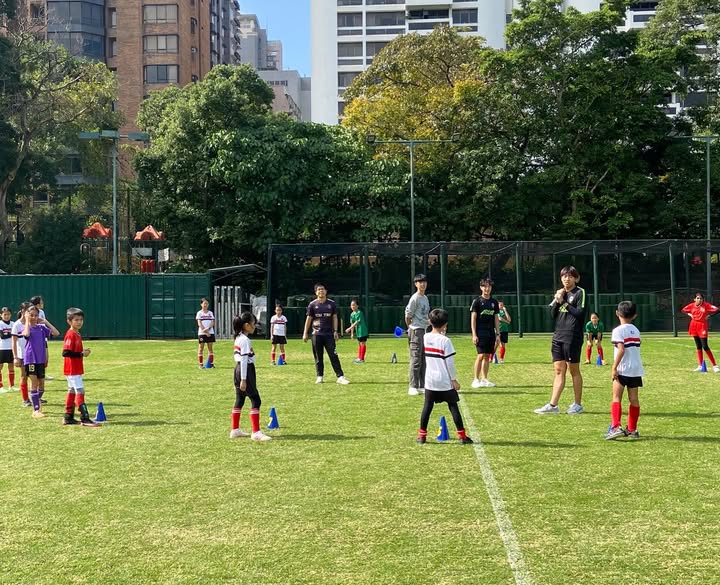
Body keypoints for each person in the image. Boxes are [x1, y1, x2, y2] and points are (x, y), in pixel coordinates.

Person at [416, 309, 473, 445]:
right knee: (453, 406)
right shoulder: (446, 341)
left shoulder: (426, 337)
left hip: (430, 380)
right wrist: (454, 380)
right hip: (444, 381)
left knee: (427, 407)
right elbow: (450, 364)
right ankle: (462, 436)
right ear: (445, 324)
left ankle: (422, 436)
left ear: (430, 322)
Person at [535, 266, 586, 415]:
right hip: (558, 336)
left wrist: (563, 302)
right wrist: (558, 300)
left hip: (572, 337)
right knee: (558, 370)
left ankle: (577, 404)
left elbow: (579, 313)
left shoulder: (579, 292)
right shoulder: (561, 293)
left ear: (576, 278)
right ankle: (553, 405)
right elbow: (553, 314)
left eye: (570, 276)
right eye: (564, 276)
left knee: (573, 370)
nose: (566, 279)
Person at [606, 301, 645, 440]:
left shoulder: (618, 330)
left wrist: (614, 367)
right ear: (634, 315)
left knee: (616, 397)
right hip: (635, 369)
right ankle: (632, 429)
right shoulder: (636, 330)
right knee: (634, 399)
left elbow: (621, 349)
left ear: (617, 313)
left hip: (623, 369)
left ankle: (616, 427)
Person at [230, 311, 272, 441]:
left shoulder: (239, 337)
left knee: (240, 399)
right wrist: (244, 379)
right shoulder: (245, 340)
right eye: (253, 323)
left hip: (238, 370)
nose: (255, 326)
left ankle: (235, 429)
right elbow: (244, 360)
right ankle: (256, 432)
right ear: (247, 325)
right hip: (245, 370)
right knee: (256, 400)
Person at [303, 284, 350, 385]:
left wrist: (335, 331)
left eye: (323, 289)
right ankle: (319, 376)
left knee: (333, 355)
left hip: (329, 334)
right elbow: (309, 319)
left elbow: (334, 317)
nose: (321, 291)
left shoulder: (331, 304)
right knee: (318, 357)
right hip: (316, 334)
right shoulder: (312, 304)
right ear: (316, 292)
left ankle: (340, 377)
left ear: (326, 291)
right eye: (319, 289)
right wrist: (305, 333)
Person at [61, 308, 99, 426]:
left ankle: (68, 417)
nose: (79, 322)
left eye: (81, 320)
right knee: (80, 391)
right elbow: (65, 353)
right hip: (72, 369)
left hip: (75, 368)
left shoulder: (77, 333)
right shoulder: (70, 334)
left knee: (72, 390)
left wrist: (82, 352)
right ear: (69, 321)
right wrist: (81, 354)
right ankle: (85, 418)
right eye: (76, 320)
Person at [22, 304, 59, 418]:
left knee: (41, 384)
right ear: (27, 315)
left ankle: (36, 402)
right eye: (31, 315)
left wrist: (46, 322)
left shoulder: (41, 328)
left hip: (40, 359)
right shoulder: (26, 327)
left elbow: (56, 333)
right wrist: (27, 320)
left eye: (35, 315)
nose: (34, 317)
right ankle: (36, 410)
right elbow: (26, 334)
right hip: (30, 359)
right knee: (34, 382)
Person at [470, 278, 500, 388]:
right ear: (481, 287)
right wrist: (474, 334)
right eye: (485, 286)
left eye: (489, 286)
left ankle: (484, 379)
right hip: (480, 332)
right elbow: (473, 319)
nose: (487, 288)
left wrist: (498, 334)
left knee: (487, 356)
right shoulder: (477, 301)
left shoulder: (494, 302)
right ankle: (475, 379)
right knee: (481, 355)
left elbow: (496, 318)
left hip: (490, 332)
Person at [681, 292, 720, 373]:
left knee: (705, 346)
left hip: (702, 326)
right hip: (693, 325)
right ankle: (700, 365)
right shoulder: (691, 305)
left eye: (701, 298)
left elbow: (717, 310)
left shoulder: (706, 305)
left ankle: (715, 365)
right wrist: (689, 314)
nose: (699, 300)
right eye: (698, 298)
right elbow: (683, 310)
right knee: (698, 346)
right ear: (694, 299)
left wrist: (710, 315)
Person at [405, 274, 430, 396]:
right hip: (416, 330)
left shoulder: (425, 298)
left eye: (424, 282)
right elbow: (408, 315)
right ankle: (412, 386)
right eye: (420, 282)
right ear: (416, 284)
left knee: (424, 359)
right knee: (415, 359)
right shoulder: (414, 298)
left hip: (424, 330)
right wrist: (411, 327)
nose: (423, 284)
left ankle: (422, 385)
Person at [11, 302, 31, 407]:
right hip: (23, 355)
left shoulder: (32, 323)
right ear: (23, 311)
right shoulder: (17, 325)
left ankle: (36, 397)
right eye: (28, 311)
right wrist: (15, 357)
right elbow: (13, 343)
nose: (30, 313)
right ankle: (25, 399)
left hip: (33, 355)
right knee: (24, 376)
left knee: (36, 377)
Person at [345, 299, 368, 364]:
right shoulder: (352, 314)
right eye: (351, 305)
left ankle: (362, 359)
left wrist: (349, 329)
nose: (353, 306)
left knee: (362, 343)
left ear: (357, 306)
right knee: (359, 344)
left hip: (362, 331)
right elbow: (352, 323)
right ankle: (359, 358)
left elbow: (357, 322)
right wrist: (352, 333)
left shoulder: (359, 312)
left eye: (354, 305)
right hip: (358, 331)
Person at [196, 298, 215, 368]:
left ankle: (211, 364)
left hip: (210, 333)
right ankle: (201, 364)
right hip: (202, 333)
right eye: (204, 303)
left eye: (207, 303)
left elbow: (212, 322)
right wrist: (205, 331)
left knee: (210, 348)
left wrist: (209, 329)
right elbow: (199, 323)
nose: (205, 305)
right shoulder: (199, 313)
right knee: (201, 348)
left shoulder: (210, 313)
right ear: (201, 304)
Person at [0, 306, 16, 392]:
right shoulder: (0, 324)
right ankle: (0, 387)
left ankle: (11, 386)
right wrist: (12, 334)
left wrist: (8, 333)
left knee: (11, 367)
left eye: (8, 314)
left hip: (11, 348)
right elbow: (2, 336)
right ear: (1, 315)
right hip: (2, 348)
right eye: (5, 314)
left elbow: (16, 334)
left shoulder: (13, 324)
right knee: (0, 367)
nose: (6, 316)